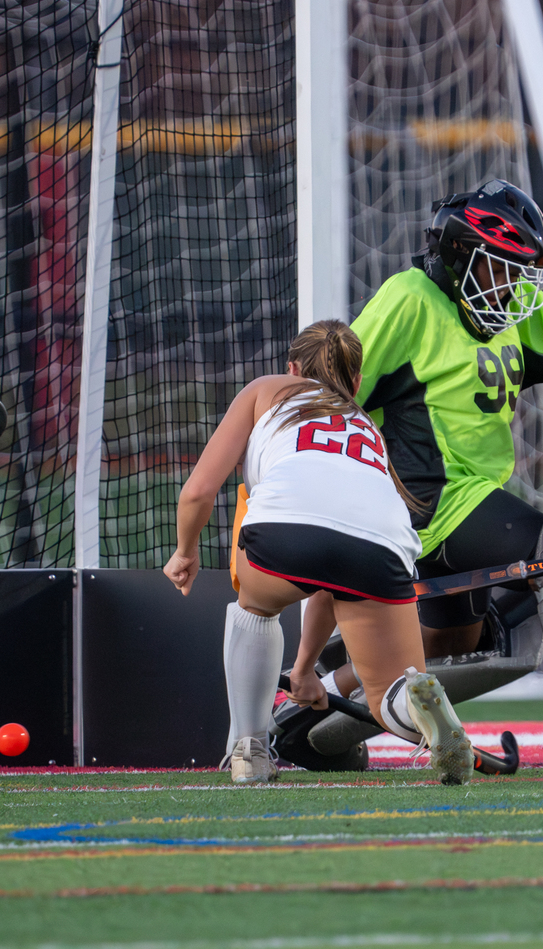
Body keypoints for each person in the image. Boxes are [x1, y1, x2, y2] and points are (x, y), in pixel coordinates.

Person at [349, 180, 543, 663]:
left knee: (451, 648)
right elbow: (334, 386)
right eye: (501, 269)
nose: (512, 286)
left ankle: (314, 713)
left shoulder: (505, 315)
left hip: (472, 502)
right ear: (459, 257)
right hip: (430, 501)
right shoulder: (410, 297)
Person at [163, 320, 475, 785]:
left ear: (292, 368)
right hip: (381, 544)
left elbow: (198, 492)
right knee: (385, 692)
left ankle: (249, 746)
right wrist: (305, 671)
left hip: (284, 534)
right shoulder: (367, 426)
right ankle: (415, 700)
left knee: (255, 603)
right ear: (356, 381)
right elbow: (333, 582)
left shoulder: (267, 389)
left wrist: (184, 552)